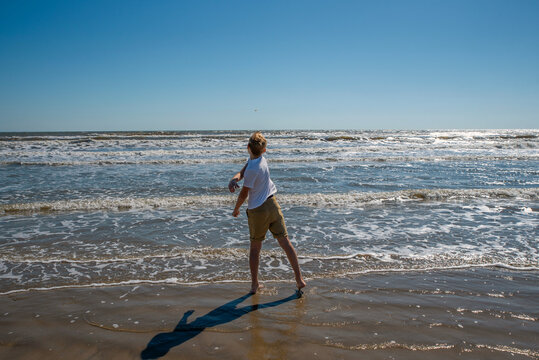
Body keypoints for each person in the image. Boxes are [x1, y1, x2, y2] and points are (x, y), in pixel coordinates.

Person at [229, 131, 306, 294]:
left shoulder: (253, 169)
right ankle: (299, 279)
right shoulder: (260, 160)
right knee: (286, 243)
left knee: (255, 249)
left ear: (247, 147)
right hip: (273, 205)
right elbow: (243, 170)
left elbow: (244, 193)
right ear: (264, 150)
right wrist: (234, 178)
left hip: (258, 211)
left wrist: (236, 209)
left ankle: (254, 284)